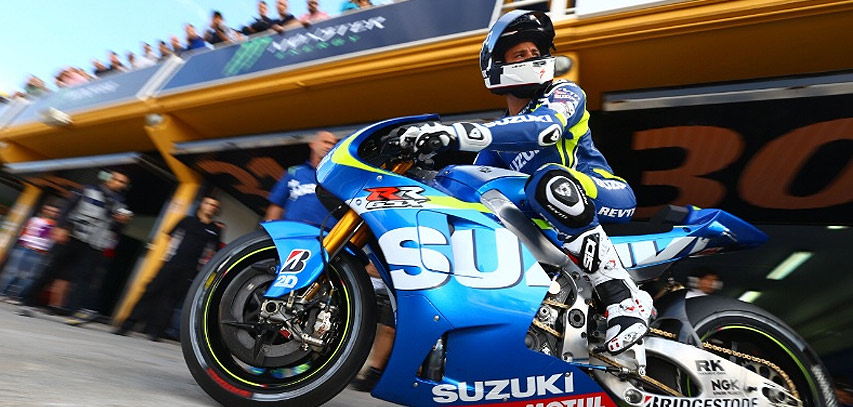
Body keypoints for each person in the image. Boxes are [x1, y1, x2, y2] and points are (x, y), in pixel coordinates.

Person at [394, 10, 652, 356]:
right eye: (520, 55)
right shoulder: (498, 142)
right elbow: (470, 190)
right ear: (497, 65)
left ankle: (624, 297)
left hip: (602, 192)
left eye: (536, 53)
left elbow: (545, 127)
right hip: (551, 218)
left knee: (547, 181)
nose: (532, 58)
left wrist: (453, 132)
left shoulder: (564, 92)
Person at [18, 170, 131, 317]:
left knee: (85, 277)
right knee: (52, 269)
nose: (118, 183)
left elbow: (116, 229)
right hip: (72, 236)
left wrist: (121, 222)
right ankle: (28, 301)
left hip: (95, 244)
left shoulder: (120, 204)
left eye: (122, 182)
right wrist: (60, 227)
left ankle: (75, 311)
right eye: (116, 179)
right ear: (108, 178)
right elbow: (67, 208)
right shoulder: (87, 190)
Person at [114, 197, 222, 341]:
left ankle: (155, 331)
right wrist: (168, 258)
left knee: (171, 300)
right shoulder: (186, 221)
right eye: (208, 203)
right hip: (171, 263)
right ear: (202, 205)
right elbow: (171, 238)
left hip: (190, 269)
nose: (211, 207)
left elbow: (212, 252)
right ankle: (127, 325)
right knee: (151, 292)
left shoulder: (215, 230)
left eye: (214, 205)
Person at [265, 131, 339, 224]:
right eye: (325, 142)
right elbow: (277, 205)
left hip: (324, 232)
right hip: (291, 230)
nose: (329, 146)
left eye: (332, 144)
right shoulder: (294, 172)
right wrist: (269, 229)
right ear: (312, 143)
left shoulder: (337, 178)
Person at [0, 205, 58, 303]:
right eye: (49, 210)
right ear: (44, 210)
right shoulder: (33, 220)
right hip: (25, 247)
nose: (51, 213)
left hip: (39, 251)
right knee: (12, 271)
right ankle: (2, 292)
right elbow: (23, 231)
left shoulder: (56, 226)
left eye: (54, 211)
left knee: (28, 276)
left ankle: (15, 296)